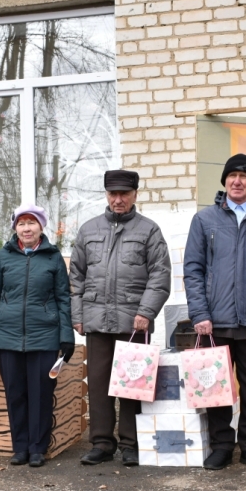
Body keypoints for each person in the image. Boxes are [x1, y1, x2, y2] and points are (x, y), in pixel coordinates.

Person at [184, 154, 246, 471]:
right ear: (225, 181)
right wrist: (200, 313)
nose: (237, 181)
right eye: (232, 176)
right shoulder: (205, 220)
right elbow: (193, 269)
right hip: (215, 322)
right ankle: (222, 446)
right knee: (215, 389)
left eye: (244, 176)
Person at [70, 170, 172, 467]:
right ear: (106, 195)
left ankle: (132, 444)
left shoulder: (149, 230)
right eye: (113, 194)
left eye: (124, 194)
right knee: (99, 385)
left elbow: (160, 275)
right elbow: (76, 276)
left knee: (133, 385)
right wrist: (78, 315)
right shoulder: (88, 230)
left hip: (133, 322)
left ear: (135, 194)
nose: (118, 199)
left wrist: (145, 312)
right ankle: (101, 443)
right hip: (96, 320)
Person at [0, 204, 76, 468]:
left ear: (41, 227)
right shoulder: (3, 256)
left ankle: (38, 448)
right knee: (15, 394)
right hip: (7, 337)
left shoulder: (53, 257)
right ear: (15, 228)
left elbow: (63, 299)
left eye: (31, 223)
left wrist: (65, 336)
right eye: (21, 223)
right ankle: (20, 447)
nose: (26, 228)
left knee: (41, 395)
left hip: (44, 336)